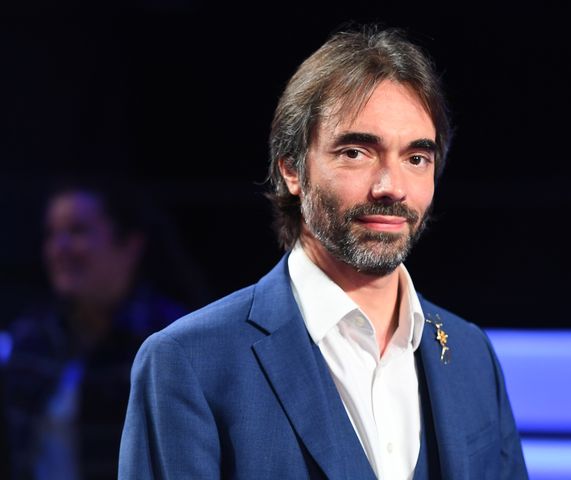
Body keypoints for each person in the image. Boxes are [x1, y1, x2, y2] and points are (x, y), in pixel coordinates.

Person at [119, 24, 528, 479]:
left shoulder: (470, 354)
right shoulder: (189, 362)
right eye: (356, 152)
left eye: (416, 158)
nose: (390, 186)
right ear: (292, 170)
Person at [2, 178, 201, 479]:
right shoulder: (30, 338)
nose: (60, 248)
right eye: (52, 234)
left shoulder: (172, 338)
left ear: (130, 244)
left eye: (77, 231)